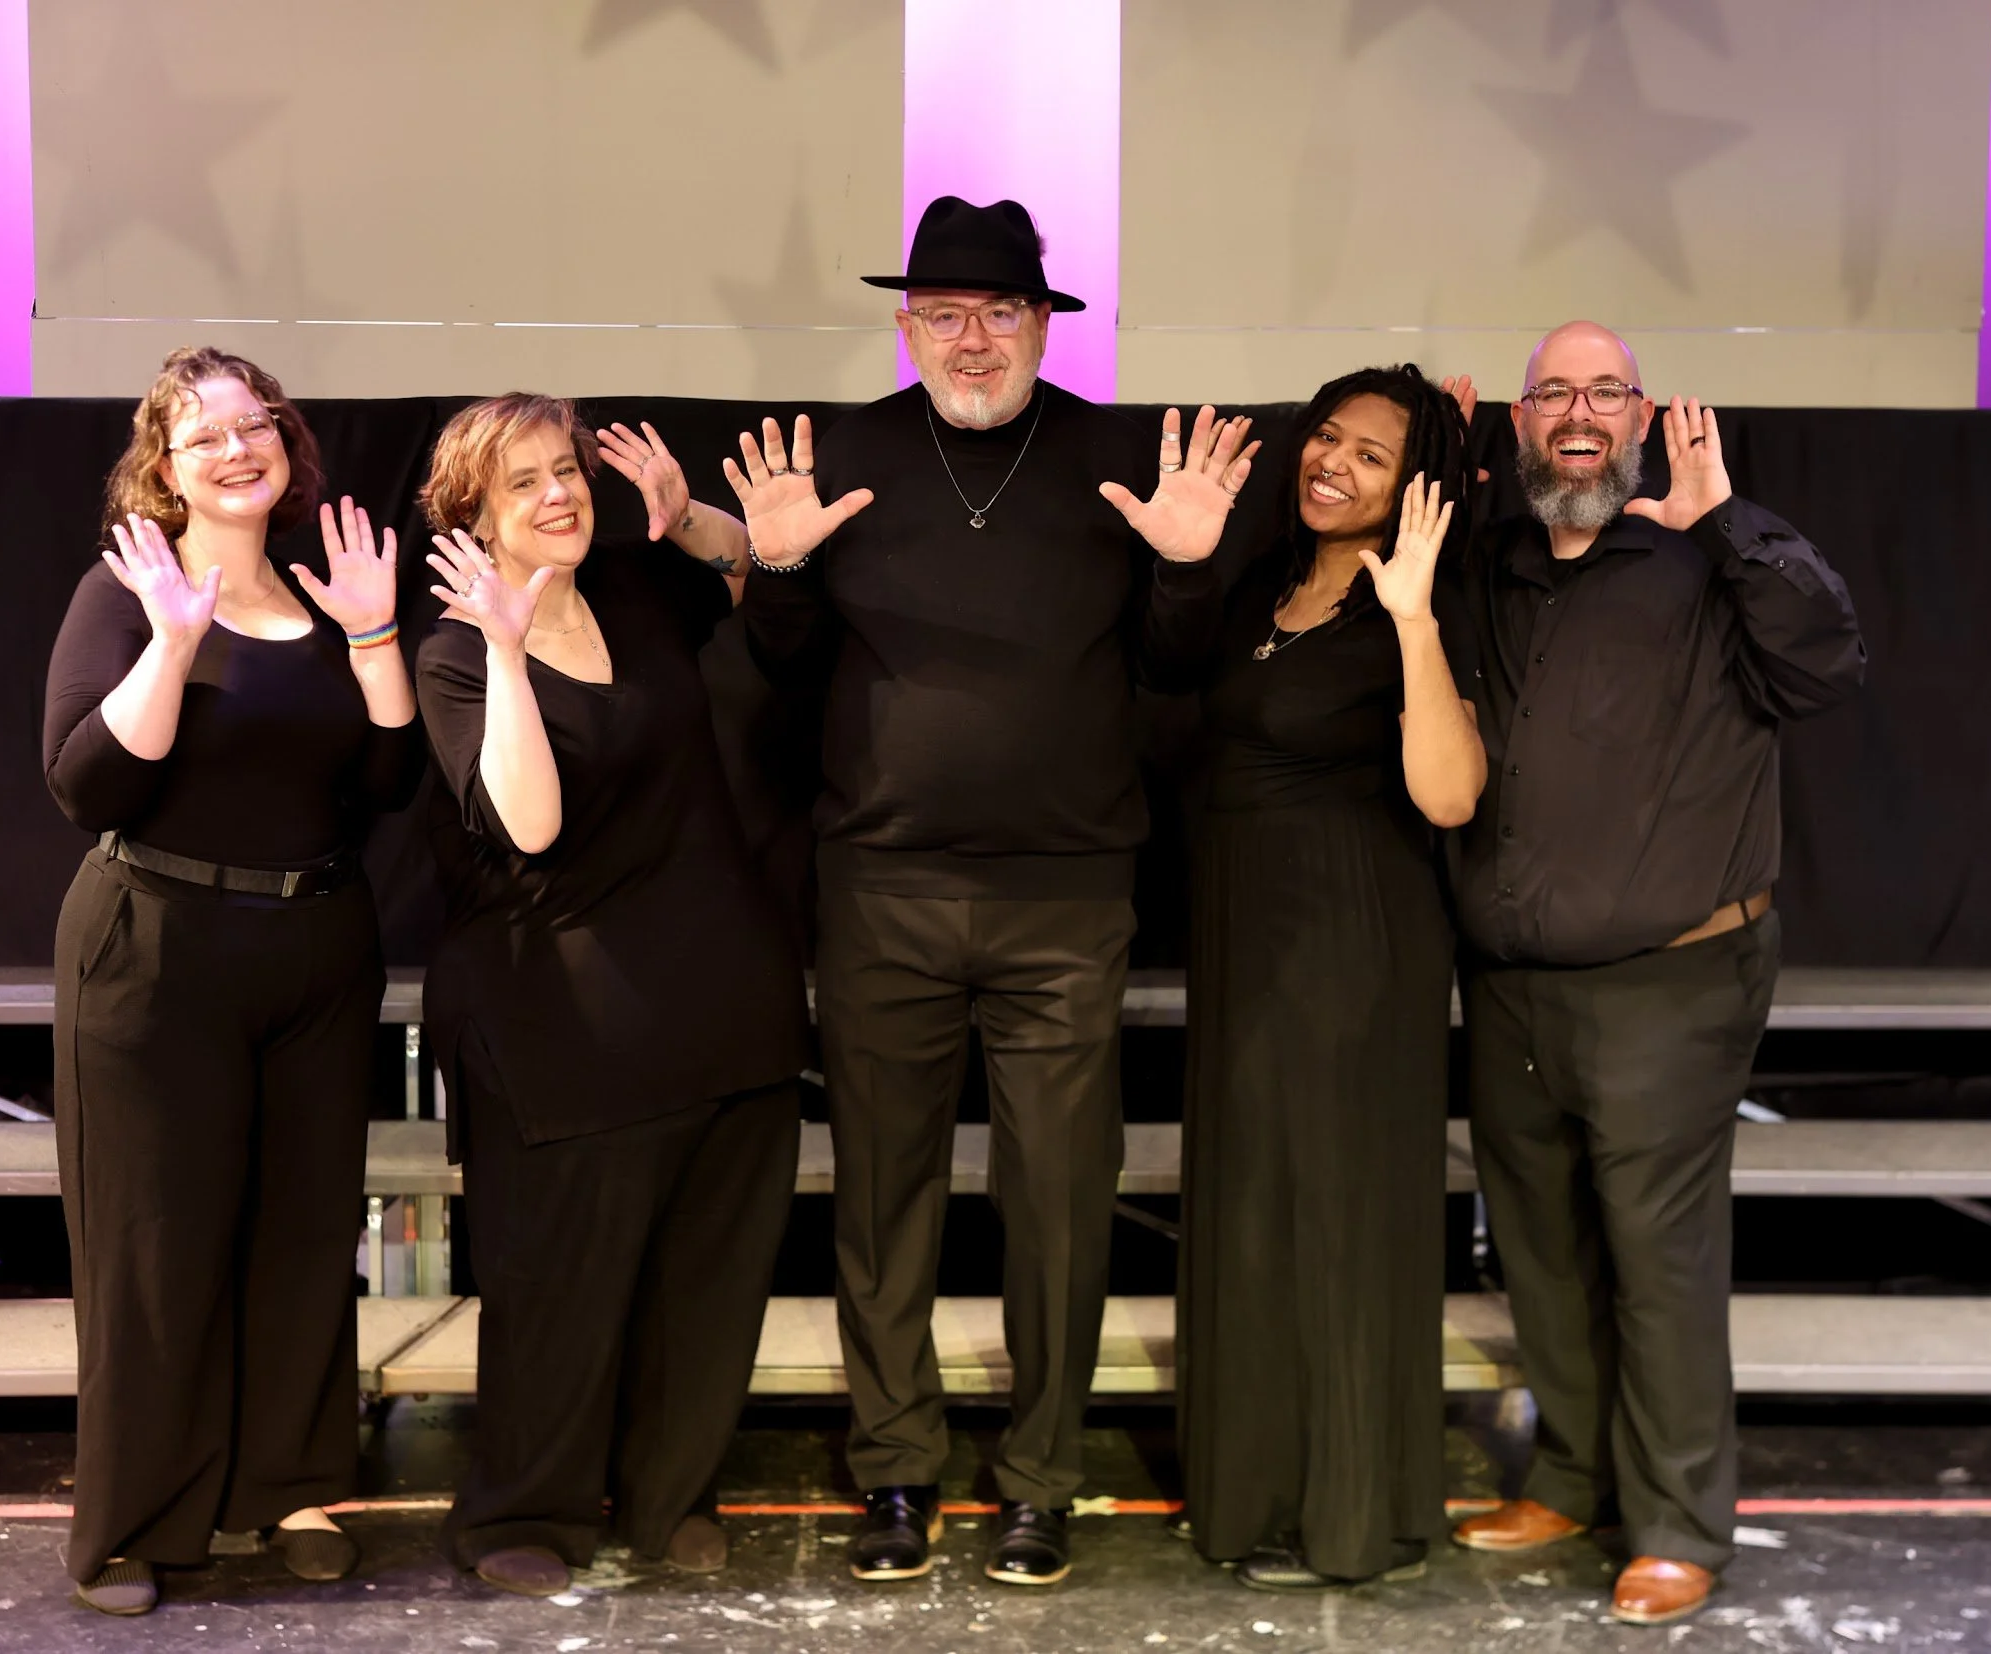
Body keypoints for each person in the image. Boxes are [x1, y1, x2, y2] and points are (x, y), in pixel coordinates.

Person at [728, 194, 1259, 1588]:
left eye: (1002, 313)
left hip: (1066, 899)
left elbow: (1176, 668)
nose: (974, 340)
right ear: (907, 327)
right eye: (947, 314)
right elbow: (784, 667)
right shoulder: (841, 455)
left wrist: (1189, 568)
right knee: (881, 1200)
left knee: (1061, 1204)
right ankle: (896, 1471)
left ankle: (1039, 1480)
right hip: (882, 888)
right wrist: (777, 569)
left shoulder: (1117, 456)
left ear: (1042, 324)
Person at [1446, 323, 1864, 1625]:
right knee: (1542, 1248)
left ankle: (1677, 1519)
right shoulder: (1498, 564)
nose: (1578, 412)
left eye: (1604, 391)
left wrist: (1727, 522)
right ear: (1523, 422)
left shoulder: (1707, 559)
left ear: (1640, 418)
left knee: (1657, 1257)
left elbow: (1827, 659)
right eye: (1553, 393)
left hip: (1670, 983)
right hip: (1512, 980)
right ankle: (1573, 1477)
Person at [43, 346, 422, 1615]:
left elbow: (388, 784)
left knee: (305, 1231)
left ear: (286, 444)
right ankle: (135, 1522)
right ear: (164, 466)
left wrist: (374, 634)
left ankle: (292, 1487)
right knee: (155, 1246)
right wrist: (172, 640)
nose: (235, 449)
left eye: (254, 425)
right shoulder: (124, 591)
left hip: (316, 947)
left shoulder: (327, 592)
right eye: (203, 435)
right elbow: (87, 783)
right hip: (157, 946)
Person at [413, 396, 808, 1596]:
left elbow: (750, 569)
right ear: (474, 517)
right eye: (523, 482)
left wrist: (684, 518)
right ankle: (525, 1507)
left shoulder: (636, 590)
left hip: (720, 1001)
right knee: (558, 1286)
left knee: (706, 1280)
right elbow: (528, 822)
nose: (558, 494)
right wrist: (506, 647)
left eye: (568, 470)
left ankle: (668, 1493)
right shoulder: (454, 654)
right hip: (566, 1026)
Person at [1171, 366, 1487, 1593]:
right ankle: (1256, 1494)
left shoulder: (1423, 599)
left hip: (1353, 942)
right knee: (1256, 1212)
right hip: (1247, 934)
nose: (1333, 463)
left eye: (1371, 454)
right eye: (1327, 437)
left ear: (1415, 488)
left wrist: (1412, 617)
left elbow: (1450, 795)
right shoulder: (1264, 581)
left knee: (1342, 1215)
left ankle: (1352, 1515)